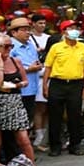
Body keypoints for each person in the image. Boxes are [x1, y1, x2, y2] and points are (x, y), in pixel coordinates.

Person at [41, 20, 84, 156]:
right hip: (57, 84)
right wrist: (45, 85)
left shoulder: (83, 47)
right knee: (55, 116)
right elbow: (48, 67)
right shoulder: (56, 47)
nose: (74, 30)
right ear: (64, 32)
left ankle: (75, 145)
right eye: (70, 28)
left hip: (76, 85)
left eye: (75, 28)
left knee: (75, 116)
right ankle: (55, 146)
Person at [0, 34, 43, 166]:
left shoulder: (15, 61)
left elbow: (25, 80)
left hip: (15, 102)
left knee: (24, 139)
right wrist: (1, 66)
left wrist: (18, 85)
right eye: (6, 46)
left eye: (11, 46)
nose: (10, 49)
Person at [9, 17, 42, 145]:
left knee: (28, 120)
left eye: (29, 30)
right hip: (18, 90)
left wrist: (37, 65)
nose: (28, 33)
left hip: (31, 88)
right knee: (17, 123)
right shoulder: (10, 47)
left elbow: (34, 62)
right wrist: (29, 69)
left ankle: (25, 150)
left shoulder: (31, 45)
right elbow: (9, 69)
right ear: (14, 32)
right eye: (24, 30)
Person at [28, 13, 54, 147]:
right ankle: (38, 135)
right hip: (37, 75)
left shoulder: (48, 37)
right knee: (40, 107)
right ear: (33, 23)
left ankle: (44, 134)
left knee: (49, 107)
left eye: (44, 23)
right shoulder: (29, 39)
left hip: (49, 74)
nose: (42, 26)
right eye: (39, 23)